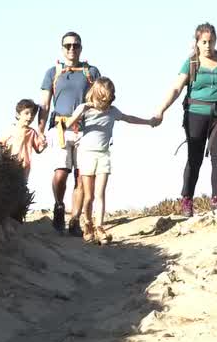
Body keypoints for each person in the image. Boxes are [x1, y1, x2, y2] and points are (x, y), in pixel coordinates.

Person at [154, 22, 217, 216]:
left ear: (216, 41)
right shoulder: (192, 62)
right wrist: (161, 110)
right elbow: (176, 88)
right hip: (195, 114)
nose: (208, 45)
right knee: (194, 158)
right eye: (204, 42)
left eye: (211, 41)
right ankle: (187, 199)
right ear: (197, 42)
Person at [58, 77, 157, 244]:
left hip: (103, 154)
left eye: (107, 99)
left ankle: (99, 226)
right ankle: (87, 223)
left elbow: (129, 118)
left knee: (100, 194)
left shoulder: (112, 111)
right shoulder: (85, 109)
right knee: (88, 196)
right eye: (101, 98)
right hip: (86, 154)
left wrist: (149, 122)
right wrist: (80, 112)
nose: (103, 103)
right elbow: (67, 124)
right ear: (94, 95)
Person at [38, 31, 102, 236]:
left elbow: (102, 99)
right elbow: (45, 103)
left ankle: (74, 219)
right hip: (60, 128)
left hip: (87, 129)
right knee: (60, 174)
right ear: (62, 48)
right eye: (68, 46)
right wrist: (40, 129)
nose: (72, 49)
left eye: (75, 45)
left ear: (81, 48)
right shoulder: (53, 72)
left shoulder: (91, 72)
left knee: (82, 177)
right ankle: (58, 206)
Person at [0, 98, 47, 179]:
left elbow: (38, 149)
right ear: (18, 114)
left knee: (20, 187)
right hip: (10, 163)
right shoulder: (11, 129)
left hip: (25, 167)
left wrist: (44, 144)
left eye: (32, 114)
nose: (30, 116)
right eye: (26, 113)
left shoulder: (32, 132)